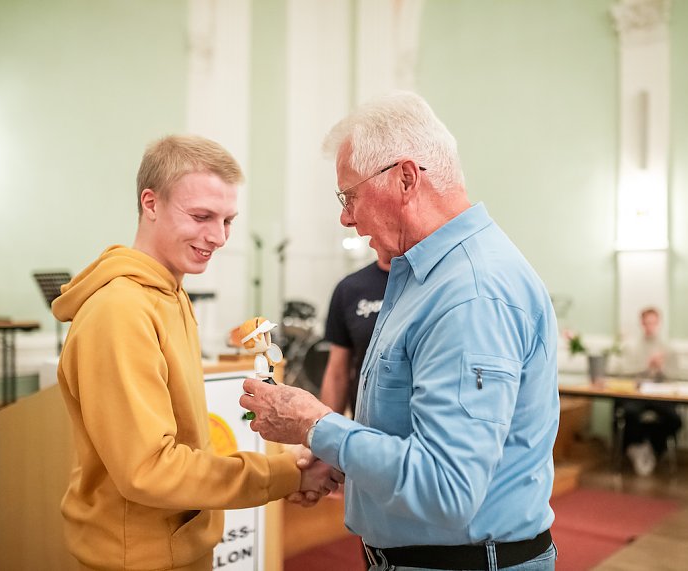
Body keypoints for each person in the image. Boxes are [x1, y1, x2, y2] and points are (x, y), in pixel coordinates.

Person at [241, 92, 559, 571]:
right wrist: (344, 457)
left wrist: (316, 425)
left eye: (349, 196)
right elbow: (412, 431)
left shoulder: (470, 292)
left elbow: (447, 488)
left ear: (406, 178)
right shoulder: (424, 275)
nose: (346, 216)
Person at [51, 135, 340, 571]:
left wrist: (286, 463)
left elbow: (187, 440)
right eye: (202, 216)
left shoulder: (171, 293)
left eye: (227, 220)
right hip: (139, 556)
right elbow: (149, 469)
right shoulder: (120, 310)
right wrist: (287, 475)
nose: (218, 236)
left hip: (178, 542)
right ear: (150, 204)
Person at [319, 250, 390, 418]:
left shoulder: (428, 282)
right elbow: (337, 373)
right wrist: (323, 434)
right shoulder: (350, 288)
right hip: (364, 426)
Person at [619, 307, 682, 476]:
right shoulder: (631, 347)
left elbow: (675, 377)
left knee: (674, 419)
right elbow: (624, 373)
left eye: (653, 322)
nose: (650, 326)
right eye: (646, 323)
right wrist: (647, 366)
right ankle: (637, 447)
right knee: (630, 413)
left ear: (659, 323)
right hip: (637, 395)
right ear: (641, 323)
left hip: (660, 396)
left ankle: (655, 447)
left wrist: (661, 368)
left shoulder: (668, 348)